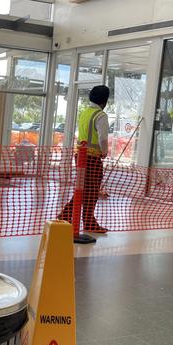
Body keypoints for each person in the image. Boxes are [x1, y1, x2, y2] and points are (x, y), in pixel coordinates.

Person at [58, 85, 110, 234]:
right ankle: (75, 219)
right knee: (91, 191)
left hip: (80, 156)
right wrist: (105, 151)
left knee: (83, 189)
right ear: (104, 101)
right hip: (92, 158)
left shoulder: (85, 113)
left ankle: (71, 217)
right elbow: (103, 138)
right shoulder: (101, 115)